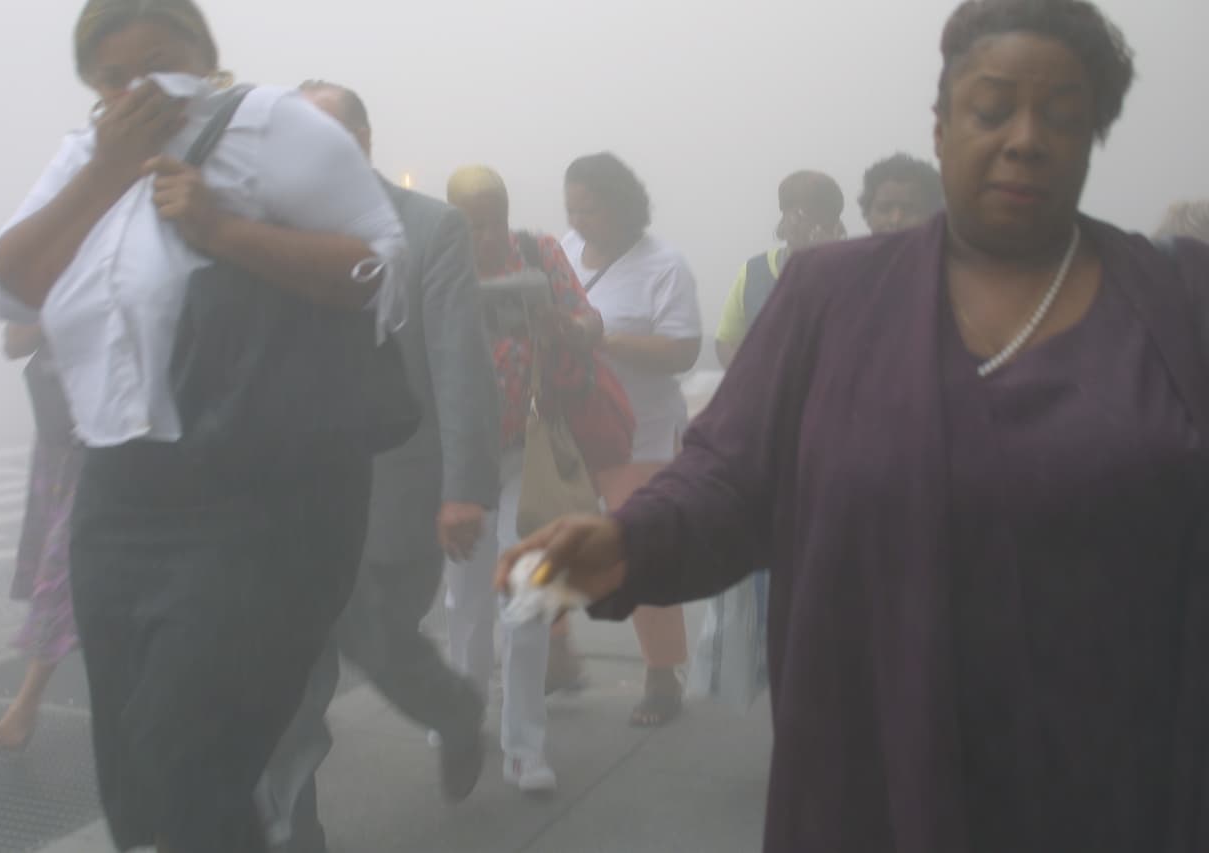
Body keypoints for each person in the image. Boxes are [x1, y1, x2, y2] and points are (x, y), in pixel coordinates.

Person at [501, 2, 1209, 851]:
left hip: (1119, 782)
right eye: (991, 110)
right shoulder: (831, 297)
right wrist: (627, 544)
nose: (1025, 138)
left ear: (1094, 135)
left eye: (1062, 115)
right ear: (942, 127)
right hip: (879, 769)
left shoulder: (1179, 306)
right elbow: (730, 474)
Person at [0, 1, 405, 850]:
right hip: (116, 499)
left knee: (186, 760)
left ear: (206, 59)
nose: (140, 89)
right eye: (113, 77)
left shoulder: (273, 127)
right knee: (138, 776)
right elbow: (13, 288)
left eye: (161, 63)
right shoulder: (83, 157)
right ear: (93, 85)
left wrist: (221, 228)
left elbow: (377, 267)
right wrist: (107, 172)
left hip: (257, 495)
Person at [258, 81, 501, 853]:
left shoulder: (431, 229)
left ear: (363, 140)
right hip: (292, 498)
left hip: (392, 488)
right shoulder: (263, 230)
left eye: (327, 133)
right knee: (290, 679)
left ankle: (453, 709)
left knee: (377, 640)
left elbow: (460, 363)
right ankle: (295, 831)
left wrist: (465, 488)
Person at [444, 164, 603, 793]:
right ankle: (461, 715)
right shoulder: (436, 262)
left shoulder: (539, 253)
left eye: (493, 220)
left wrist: (565, 328)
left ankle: (525, 747)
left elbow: (591, 324)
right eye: (470, 224)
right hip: (461, 460)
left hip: (529, 452)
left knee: (530, 597)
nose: (484, 236)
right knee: (467, 603)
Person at [561, 153, 703, 727]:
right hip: (571, 430)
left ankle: (662, 673)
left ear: (621, 205)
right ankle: (556, 657)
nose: (577, 221)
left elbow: (684, 351)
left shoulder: (663, 265)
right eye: (570, 209)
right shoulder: (564, 254)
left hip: (638, 436)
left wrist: (603, 338)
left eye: (588, 209)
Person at [0, 325, 82, 750]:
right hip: (61, 443)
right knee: (60, 564)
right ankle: (26, 706)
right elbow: (13, 342)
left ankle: (25, 706)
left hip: (109, 440)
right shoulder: (54, 265)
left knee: (61, 569)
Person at [715, 170, 844, 367]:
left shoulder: (853, 273)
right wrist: (747, 380)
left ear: (834, 223)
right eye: (797, 213)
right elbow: (727, 340)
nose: (804, 224)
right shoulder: (753, 272)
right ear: (783, 216)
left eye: (816, 215)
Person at [859, 152, 946, 234]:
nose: (895, 220)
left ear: (932, 215)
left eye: (909, 210)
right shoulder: (850, 250)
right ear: (867, 215)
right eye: (885, 209)